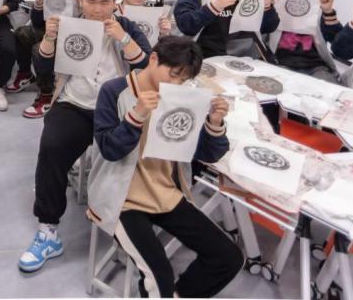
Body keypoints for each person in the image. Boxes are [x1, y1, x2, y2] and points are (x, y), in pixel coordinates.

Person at [88, 36, 242, 298]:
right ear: (153, 58)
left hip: (166, 193)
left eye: (183, 79)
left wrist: (215, 123)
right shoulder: (114, 91)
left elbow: (207, 154)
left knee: (228, 257)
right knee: (160, 278)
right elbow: (109, 150)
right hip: (121, 200)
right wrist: (136, 115)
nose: (176, 84)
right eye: (173, 75)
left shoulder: (184, 97)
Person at [18, 0, 150, 273]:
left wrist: (123, 39)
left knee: (131, 161)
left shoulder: (127, 27)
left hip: (116, 110)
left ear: (115, 3)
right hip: (74, 104)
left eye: (105, 2)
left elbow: (146, 66)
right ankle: (48, 229)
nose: (98, 9)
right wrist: (50, 38)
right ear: (81, 1)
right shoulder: (69, 25)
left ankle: (128, 227)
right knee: (51, 149)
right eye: (91, 1)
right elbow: (42, 68)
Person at [9, 0, 92, 119]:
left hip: (76, 34)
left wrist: (83, 1)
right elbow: (38, 22)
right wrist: (38, 5)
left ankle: (46, 95)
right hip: (53, 30)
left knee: (38, 50)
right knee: (21, 33)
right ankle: (25, 74)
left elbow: (99, 15)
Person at [266, 0, 342, 80]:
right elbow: (258, 32)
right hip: (278, 62)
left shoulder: (316, 6)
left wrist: (328, 11)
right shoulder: (266, 3)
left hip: (315, 66)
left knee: (327, 87)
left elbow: (336, 41)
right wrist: (269, 2)